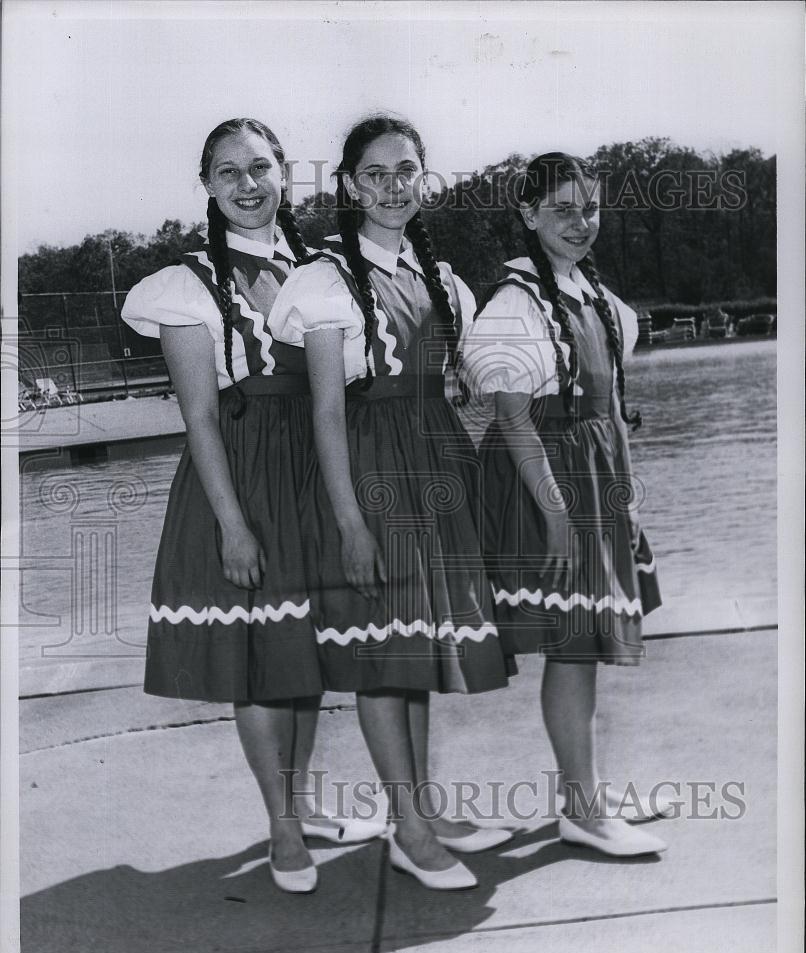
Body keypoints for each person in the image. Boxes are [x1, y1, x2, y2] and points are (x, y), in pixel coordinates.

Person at [121, 118, 385, 894]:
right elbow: (200, 415)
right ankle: (280, 829)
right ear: (206, 185)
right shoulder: (187, 282)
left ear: (284, 176)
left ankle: (301, 804)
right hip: (242, 478)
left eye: (261, 167)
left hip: (317, 472)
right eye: (228, 171)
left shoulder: (325, 269)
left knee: (301, 655)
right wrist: (232, 525)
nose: (247, 185)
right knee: (260, 664)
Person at [269, 115, 514, 891]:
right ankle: (409, 828)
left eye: (407, 169)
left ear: (424, 179)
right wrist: (348, 522)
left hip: (433, 474)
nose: (393, 186)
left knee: (415, 648)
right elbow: (327, 413)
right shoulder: (323, 280)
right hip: (370, 476)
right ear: (348, 186)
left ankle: (419, 812)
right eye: (374, 173)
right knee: (382, 653)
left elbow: (468, 389)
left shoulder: (441, 279)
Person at [459, 152, 668, 856]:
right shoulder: (515, 302)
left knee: (584, 645)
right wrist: (555, 514)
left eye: (591, 208)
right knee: (572, 647)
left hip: (596, 477)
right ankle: (581, 809)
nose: (582, 223)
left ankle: (590, 789)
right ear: (528, 215)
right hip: (544, 484)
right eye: (563, 210)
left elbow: (608, 413)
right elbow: (513, 421)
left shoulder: (598, 300)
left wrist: (625, 503)